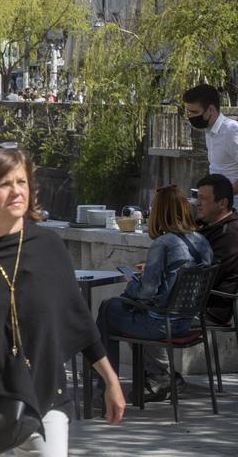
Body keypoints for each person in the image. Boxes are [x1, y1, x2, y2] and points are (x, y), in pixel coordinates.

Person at [0, 148, 124, 457]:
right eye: (5, 184)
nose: (17, 191)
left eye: (22, 182)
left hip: (44, 394)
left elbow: (78, 319)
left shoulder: (49, 246)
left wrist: (110, 379)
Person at [97, 184, 213, 406]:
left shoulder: (163, 243)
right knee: (121, 310)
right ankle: (157, 375)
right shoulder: (202, 241)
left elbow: (147, 292)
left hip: (163, 323)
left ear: (160, 212)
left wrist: (132, 284)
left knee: (108, 309)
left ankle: (105, 388)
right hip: (189, 322)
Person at [196, 174, 238, 326]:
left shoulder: (230, 234)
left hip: (206, 311)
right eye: (197, 197)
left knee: (121, 311)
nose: (197, 203)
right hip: (190, 305)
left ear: (222, 203)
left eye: (203, 198)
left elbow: (206, 276)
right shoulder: (208, 226)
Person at [183, 83, 238, 187]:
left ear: (211, 110)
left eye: (194, 112)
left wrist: (229, 193)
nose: (190, 117)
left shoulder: (231, 131)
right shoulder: (209, 130)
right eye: (188, 112)